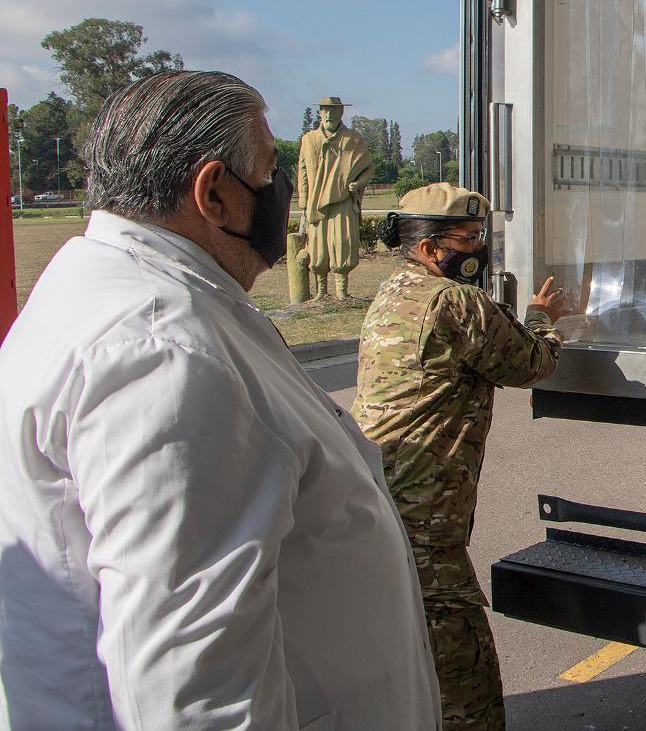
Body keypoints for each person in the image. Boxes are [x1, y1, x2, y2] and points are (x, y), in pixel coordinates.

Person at [0, 71, 441, 730]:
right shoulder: (164, 354)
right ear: (213, 193)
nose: (281, 193)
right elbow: (194, 689)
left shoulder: (109, 296)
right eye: (267, 174)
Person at [353, 183, 565, 730]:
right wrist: (541, 316)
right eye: (468, 239)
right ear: (429, 248)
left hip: (379, 503)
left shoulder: (393, 292)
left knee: (406, 665)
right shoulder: (453, 301)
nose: (479, 250)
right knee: (465, 682)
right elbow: (531, 362)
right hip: (425, 526)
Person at [296, 95, 373, 299]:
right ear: (320, 113)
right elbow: (302, 172)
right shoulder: (309, 140)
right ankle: (321, 292)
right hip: (316, 203)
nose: (329, 115)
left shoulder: (353, 139)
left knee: (342, 244)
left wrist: (358, 183)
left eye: (333, 111)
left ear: (341, 113)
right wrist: (303, 201)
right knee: (318, 248)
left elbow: (368, 168)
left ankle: (342, 292)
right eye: (325, 111)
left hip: (343, 201)